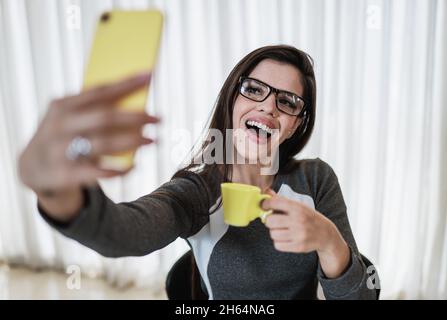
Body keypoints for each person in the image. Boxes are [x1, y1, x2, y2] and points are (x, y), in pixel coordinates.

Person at [18, 45, 378, 299]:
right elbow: (124, 231)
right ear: (232, 100)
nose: (268, 106)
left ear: (296, 125)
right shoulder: (198, 189)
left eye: (287, 101)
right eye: (254, 90)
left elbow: (362, 297)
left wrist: (328, 240)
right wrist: (55, 190)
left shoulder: (315, 180)